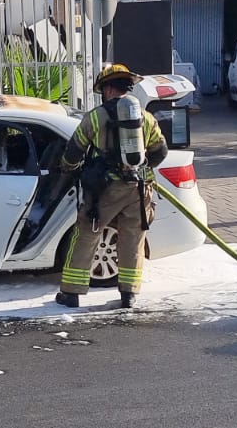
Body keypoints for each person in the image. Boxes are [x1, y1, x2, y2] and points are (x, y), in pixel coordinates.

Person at [55, 63, 169, 309]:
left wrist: (67, 168)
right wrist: (140, 168)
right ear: (127, 88)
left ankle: (71, 292)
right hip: (139, 189)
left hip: (104, 191)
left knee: (86, 234)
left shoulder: (95, 117)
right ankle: (129, 294)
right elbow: (160, 152)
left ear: (107, 89)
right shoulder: (146, 118)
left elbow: (74, 151)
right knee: (133, 239)